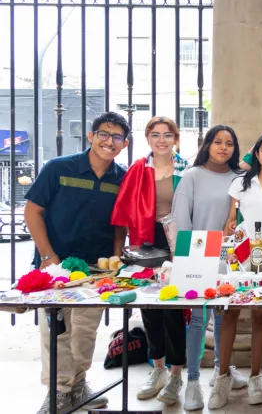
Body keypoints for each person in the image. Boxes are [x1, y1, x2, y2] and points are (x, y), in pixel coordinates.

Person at [25, 112, 130, 414]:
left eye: (117, 137)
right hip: (55, 268)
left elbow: (119, 222)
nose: (109, 142)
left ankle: (79, 383)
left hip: (96, 270)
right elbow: (32, 211)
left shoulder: (121, 178)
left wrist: (116, 255)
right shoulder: (58, 168)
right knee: (56, 332)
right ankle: (58, 391)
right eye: (104, 134)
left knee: (84, 331)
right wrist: (48, 256)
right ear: (91, 136)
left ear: (124, 144)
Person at [110, 117, 190, 406]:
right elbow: (123, 210)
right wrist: (120, 249)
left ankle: (176, 373)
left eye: (167, 135)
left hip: (179, 239)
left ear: (176, 138)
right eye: (155, 135)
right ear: (147, 139)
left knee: (175, 307)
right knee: (150, 306)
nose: (161, 140)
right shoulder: (137, 169)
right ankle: (157, 368)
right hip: (146, 239)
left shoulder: (187, 169)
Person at [212, 132, 262, 410]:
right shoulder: (240, 183)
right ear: (256, 153)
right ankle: (222, 377)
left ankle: (256, 378)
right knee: (230, 315)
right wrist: (229, 241)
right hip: (241, 256)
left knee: (261, 318)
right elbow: (230, 221)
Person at [172, 125, 247, 411]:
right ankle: (192, 381)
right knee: (198, 320)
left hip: (229, 258)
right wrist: (187, 259)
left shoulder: (239, 178)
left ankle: (221, 370)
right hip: (198, 254)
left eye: (229, 143)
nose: (223, 148)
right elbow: (182, 220)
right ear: (208, 145)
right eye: (218, 142)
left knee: (224, 315)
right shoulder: (192, 176)